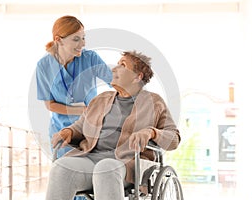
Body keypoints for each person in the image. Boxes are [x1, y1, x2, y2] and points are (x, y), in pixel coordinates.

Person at [46, 51, 181, 200]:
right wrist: (68, 132)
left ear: (138, 77)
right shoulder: (100, 99)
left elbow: (173, 138)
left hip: (128, 163)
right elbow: (80, 126)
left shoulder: (154, 102)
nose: (114, 69)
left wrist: (152, 132)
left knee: (105, 168)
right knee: (61, 168)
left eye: (122, 65)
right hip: (90, 158)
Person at [36, 15, 112, 158]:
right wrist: (82, 110)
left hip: (91, 128)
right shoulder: (44, 66)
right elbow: (50, 105)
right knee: (66, 173)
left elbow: (115, 81)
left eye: (83, 38)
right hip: (62, 130)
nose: (82, 44)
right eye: (76, 39)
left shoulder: (90, 58)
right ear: (59, 40)